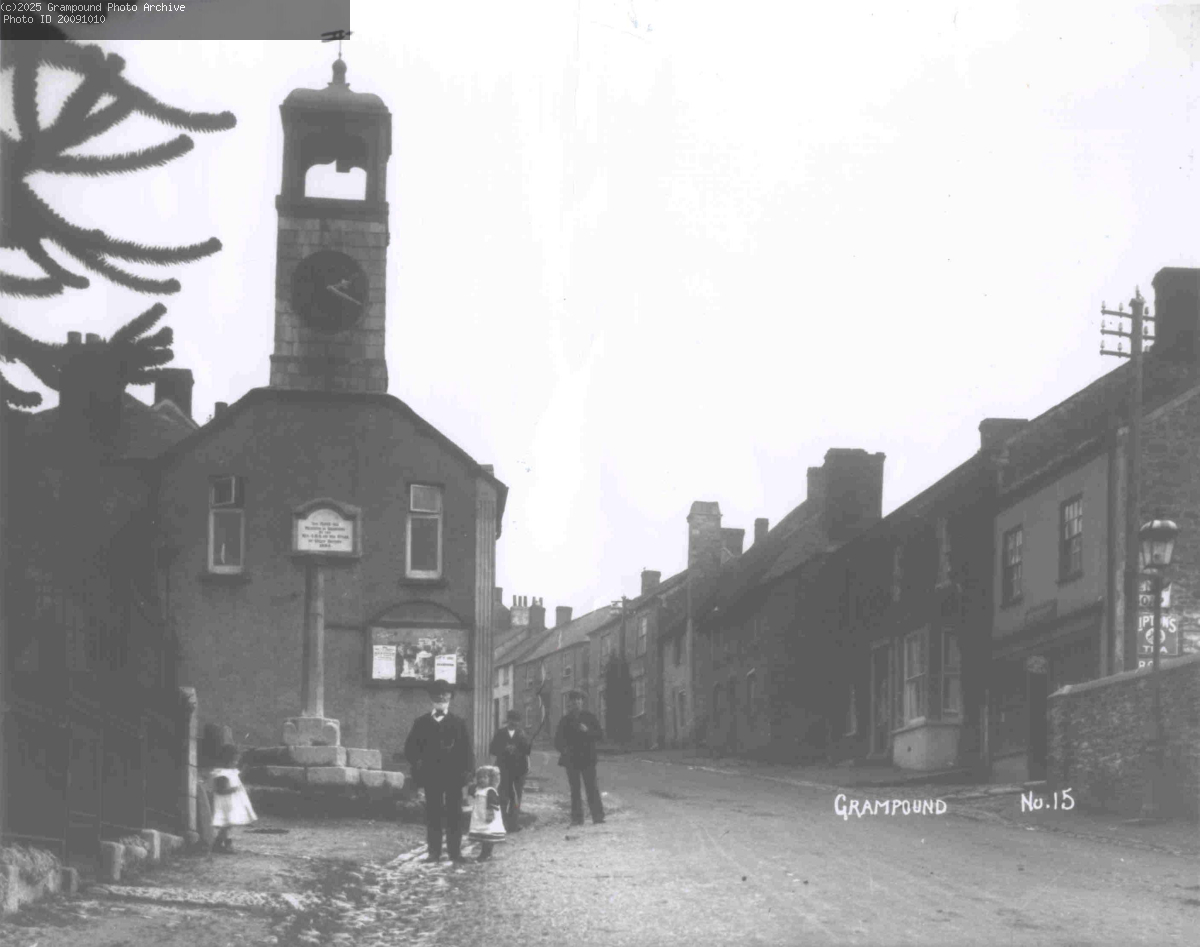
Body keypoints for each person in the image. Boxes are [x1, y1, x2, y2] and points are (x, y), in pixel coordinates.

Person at [404, 680, 473, 863]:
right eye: (437, 693)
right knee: (433, 814)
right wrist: (419, 765)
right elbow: (410, 749)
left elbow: (467, 750)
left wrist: (467, 772)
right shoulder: (421, 723)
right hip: (431, 776)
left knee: (454, 814)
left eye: (445, 693)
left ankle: (455, 853)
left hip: (453, 776)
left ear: (451, 697)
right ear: (431, 697)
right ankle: (433, 853)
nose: (441, 696)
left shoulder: (458, 723)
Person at [554, 689, 605, 825]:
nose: (576, 702)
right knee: (575, 790)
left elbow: (600, 735)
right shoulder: (565, 720)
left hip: (587, 758)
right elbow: (557, 741)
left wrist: (588, 731)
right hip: (571, 760)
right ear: (569, 703)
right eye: (573, 700)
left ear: (582, 702)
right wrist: (565, 750)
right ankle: (577, 818)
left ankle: (598, 817)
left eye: (578, 700)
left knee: (591, 787)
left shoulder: (590, 717)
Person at [208, 744, 257, 853]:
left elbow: (236, 778)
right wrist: (234, 789)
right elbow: (220, 791)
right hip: (224, 804)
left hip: (230, 803)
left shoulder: (231, 772)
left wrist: (244, 770)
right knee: (226, 825)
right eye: (234, 761)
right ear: (227, 760)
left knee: (227, 826)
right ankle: (225, 844)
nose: (236, 763)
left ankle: (219, 843)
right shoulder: (222, 774)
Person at [488, 709, 531, 832]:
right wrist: (504, 748)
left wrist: (519, 750)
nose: (514, 723)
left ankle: (513, 824)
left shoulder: (522, 734)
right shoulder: (500, 733)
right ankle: (501, 823)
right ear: (508, 720)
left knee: (516, 797)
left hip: (519, 770)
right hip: (504, 769)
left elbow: (527, 751)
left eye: (517, 721)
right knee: (503, 797)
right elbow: (493, 749)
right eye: (512, 720)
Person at [466, 765, 506, 861]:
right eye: (479, 778)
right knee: (483, 835)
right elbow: (471, 790)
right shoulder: (478, 789)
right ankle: (483, 853)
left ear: (491, 779)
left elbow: (493, 804)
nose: (481, 780)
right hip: (480, 816)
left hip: (488, 817)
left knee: (489, 834)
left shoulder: (490, 791)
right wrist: (469, 782)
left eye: (485, 777)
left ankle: (487, 853)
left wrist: (490, 814)